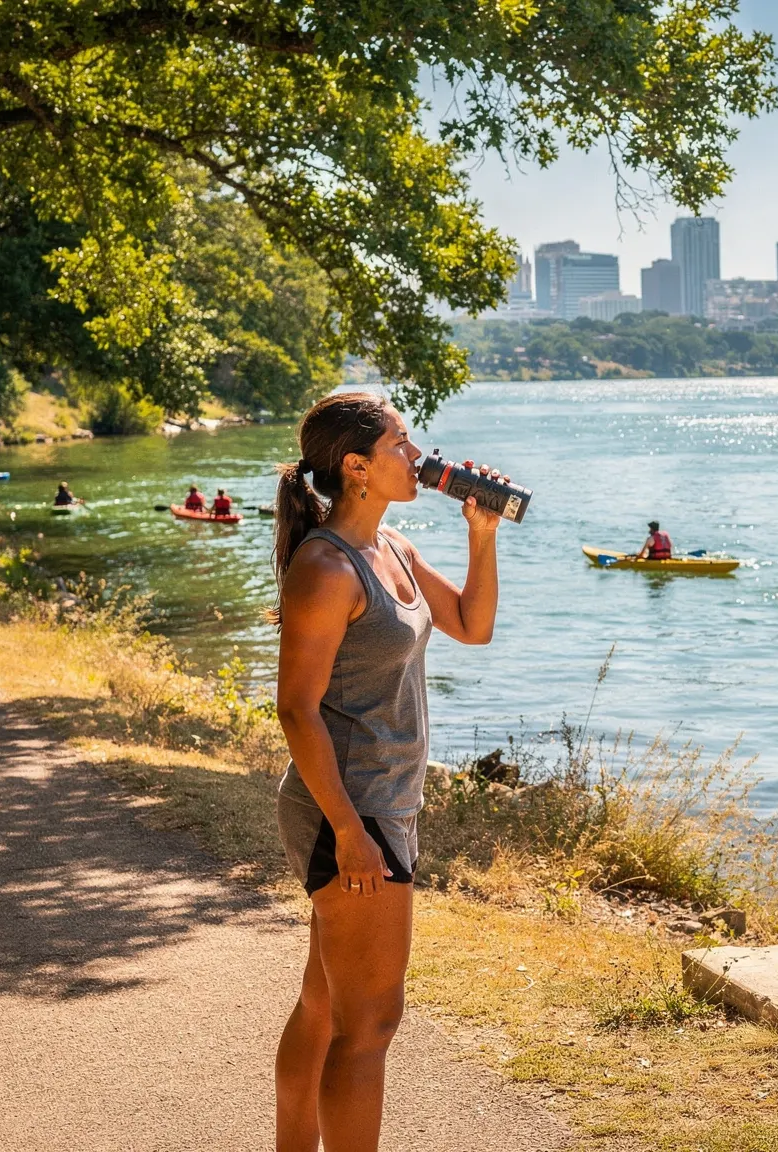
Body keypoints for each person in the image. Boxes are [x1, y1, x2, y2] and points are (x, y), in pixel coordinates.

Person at [271, 391, 503, 1150]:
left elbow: (473, 625)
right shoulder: (326, 568)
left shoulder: (393, 549)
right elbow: (296, 711)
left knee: (325, 1006)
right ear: (357, 468)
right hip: (351, 810)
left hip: (380, 803)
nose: (419, 456)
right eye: (403, 444)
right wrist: (348, 831)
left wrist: (482, 534)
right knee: (369, 1027)